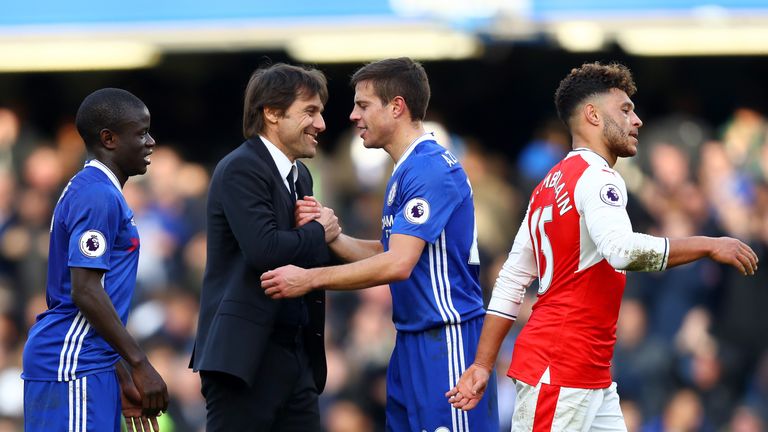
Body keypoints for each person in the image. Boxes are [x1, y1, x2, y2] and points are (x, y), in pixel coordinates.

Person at [445, 62, 759, 431]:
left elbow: (512, 280)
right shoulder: (597, 178)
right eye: (625, 109)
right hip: (559, 369)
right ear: (592, 115)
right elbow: (622, 251)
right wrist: (707, 244)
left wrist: (483, 364)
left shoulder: (548, 184)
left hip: (586, 373)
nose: (637, 120)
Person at [261, 57, 500, 432]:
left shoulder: (430, 167)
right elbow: (392, 253)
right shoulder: (405, 167)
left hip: (446, 339)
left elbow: (398, 264)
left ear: (397, 106)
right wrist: (333, 235)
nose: (353, 116)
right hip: (412, 339)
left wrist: (308, 279)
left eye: (363, 104)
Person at [189, 63, 339, 431]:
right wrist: (319, 230)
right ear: (271, 112)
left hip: (297, 355)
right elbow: (266, 251)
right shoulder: (241, 168)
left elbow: (308, 257)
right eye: (310, 111)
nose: (320, 124)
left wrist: (318, 234)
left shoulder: (300, 175)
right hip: (245, 360)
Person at [22, 88, 168, 432]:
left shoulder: (95, 189)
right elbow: (84, 290)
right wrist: (139, 363)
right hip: (73, 362)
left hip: (89, 360)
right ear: (109, 138)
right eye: (141, 132)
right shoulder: (97, 195)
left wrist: (117, 367)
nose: (151, 142)